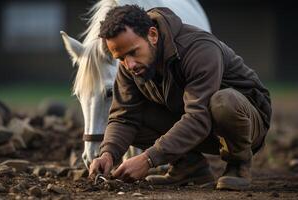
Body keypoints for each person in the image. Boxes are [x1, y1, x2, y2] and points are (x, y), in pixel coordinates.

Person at [89, 5, 271, 190]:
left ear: (153, 35)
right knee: (134, 117)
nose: (130, 64)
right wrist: (108, 154)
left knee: (223, 101)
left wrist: (149, 159)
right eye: (121, 58)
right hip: (199, 122)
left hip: (244, 122)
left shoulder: (199, 49)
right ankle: (188, 166)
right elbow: (124, 117)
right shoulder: (130, 67)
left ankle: (237, 166)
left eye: (134, 52)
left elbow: (197, 117)